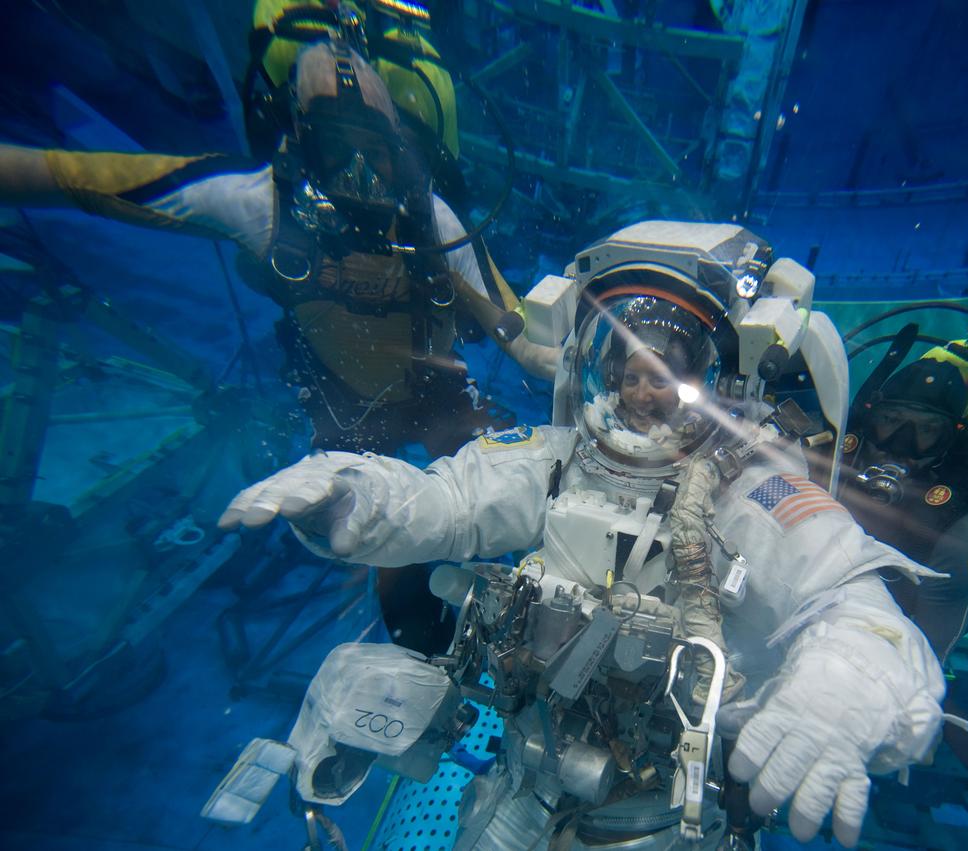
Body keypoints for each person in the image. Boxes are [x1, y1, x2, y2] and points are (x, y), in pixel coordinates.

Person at [214, 221, 947, 850]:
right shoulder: (557, 457)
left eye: (668, 374)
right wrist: (348, 496)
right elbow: (446, 501)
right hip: (520, 777)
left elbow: (855, 603)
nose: (643, 391)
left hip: (659, 812)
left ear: (715, 382)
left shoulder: (755, 491)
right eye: (628, 371)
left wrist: (846, 688)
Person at [0, 38, 558, 655]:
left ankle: (513, 627)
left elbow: (519, 335)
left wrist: (581, 373)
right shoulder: (261, 203)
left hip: (436, 390)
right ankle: (425, 653)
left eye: (376, 152)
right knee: (380, 541)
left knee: (502, 503)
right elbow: (81, 179)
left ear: (400, 150)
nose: (360, 175)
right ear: (298, 142)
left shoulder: (431, 219)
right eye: (337, 150)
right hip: (344, 404)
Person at [838, 357, 968, 662]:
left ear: (949, 439)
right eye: (891, 420)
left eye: (927, 430)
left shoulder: (955, 536)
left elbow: (927, 658)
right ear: (871, 417)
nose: (902, 442)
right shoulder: (833, 449)